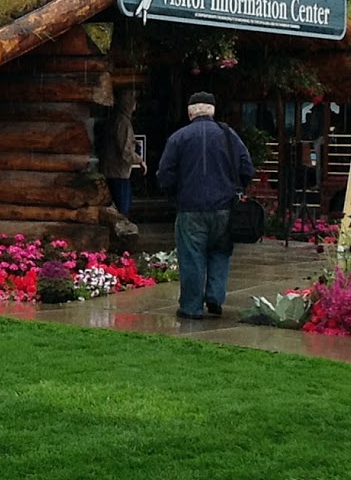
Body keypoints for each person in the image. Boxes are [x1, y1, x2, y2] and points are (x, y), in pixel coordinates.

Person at [155, 91, 255, 320]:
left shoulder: (178, 138)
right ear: (212, 111)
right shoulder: (229, 136)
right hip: (224, 208)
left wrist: (174, 194)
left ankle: (191, 307)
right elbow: (247, 168)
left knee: (192, 256)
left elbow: (165, 175)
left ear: (190, 113)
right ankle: (215, 297)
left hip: (189, 208)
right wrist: (236, 189)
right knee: (220, 252)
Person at [97, 88, 144, 217]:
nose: (135, 105)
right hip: (118, 172)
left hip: (112, 170)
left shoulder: (116, 119)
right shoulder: (123, 122)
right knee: (122, 209)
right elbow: (126, 151)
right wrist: (140, 160)